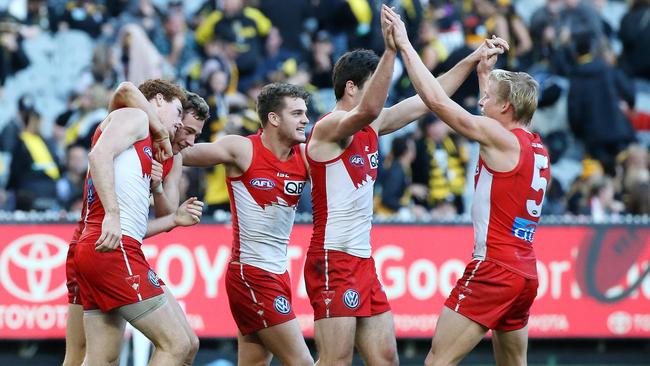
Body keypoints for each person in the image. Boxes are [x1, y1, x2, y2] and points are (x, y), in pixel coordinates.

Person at [303, 5, 507, 365]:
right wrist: (392, 51)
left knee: (387, 360)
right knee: (335, 360)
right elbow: (366, 110)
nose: (379, 97)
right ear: (351, 87)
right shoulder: (328, 128)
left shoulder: (373, 125)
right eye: (373, 87)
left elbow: (431, 99)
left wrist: (473, 58)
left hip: (363, 261)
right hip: (332, 257)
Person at [384, 7, 550, 365]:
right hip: (524, 271)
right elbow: (492, 129)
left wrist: (406, 45)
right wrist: (484, 75)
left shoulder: (498, 137)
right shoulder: (533, 145)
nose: (481, 101)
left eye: (489, 97)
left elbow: (435, 101)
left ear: (505, 106)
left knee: (437, 361)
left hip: (494, 265)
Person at [63, 82, 209, 366]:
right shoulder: (135, 117)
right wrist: (113, 215)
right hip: (105, 242)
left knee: (102, 359)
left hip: (109, 244)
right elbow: (124, 90)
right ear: (156, 101)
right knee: (177, 344)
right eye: (182, 121)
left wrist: (159, 192)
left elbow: (155, 215)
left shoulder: (165, 152)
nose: (185, 133)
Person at [180, 82, 312, 366]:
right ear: (274, 119)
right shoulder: (241, 148)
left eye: (306, 113)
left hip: (278, 274)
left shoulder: (305, 157)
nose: (306, 120)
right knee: (302, 362)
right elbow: (183, 153)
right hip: (251, 275)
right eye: (298, 113)